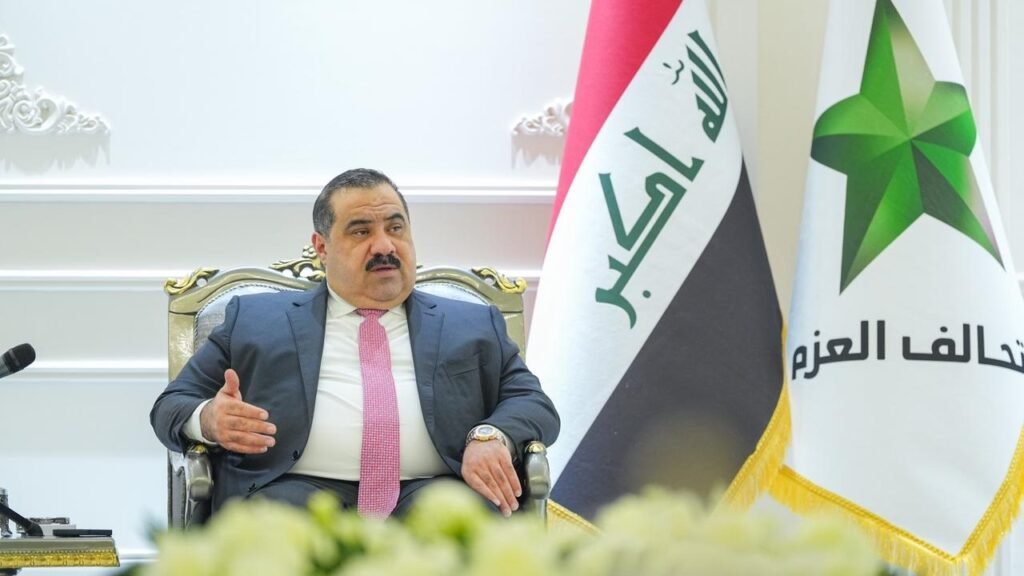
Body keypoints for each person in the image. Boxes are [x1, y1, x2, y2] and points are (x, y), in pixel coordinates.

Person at [151, 168, 560, 518]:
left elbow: (533, 403)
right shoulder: (255, 319)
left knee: (462, 521)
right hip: (290, 493)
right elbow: (172, 405)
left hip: (435, 491)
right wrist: (209, 420)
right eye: (361, 231)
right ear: (322, 247)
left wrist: (490, 435)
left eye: (395, 228)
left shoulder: (471, 323)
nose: (384, 246)